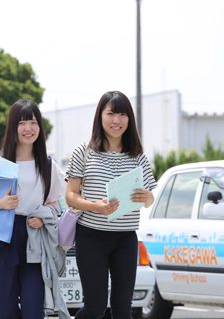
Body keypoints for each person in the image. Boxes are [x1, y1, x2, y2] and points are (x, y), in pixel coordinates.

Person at [65, 91, 157, 319]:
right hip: (91, 237)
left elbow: (150, 199)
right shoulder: (83, 152)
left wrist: (147, 198)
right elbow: (70, 196)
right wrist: (96, 206)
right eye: (111, 113)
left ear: (129, 119)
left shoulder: (138, 156)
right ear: (100, 117)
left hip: (126, 238)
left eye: (123, 114)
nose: (117, 120)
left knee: (123, 309)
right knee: (94, 308)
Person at [0, 99, 67, 319]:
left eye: (33, 123)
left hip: (34, 238)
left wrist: (45, 218)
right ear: (13, 126)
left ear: (40, 127)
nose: (28, 129)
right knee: (4, 308)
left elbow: (56, 202)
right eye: (22, 122)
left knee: (34, 310)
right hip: (1, 237)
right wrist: (0, 204)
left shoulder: (47, 164)